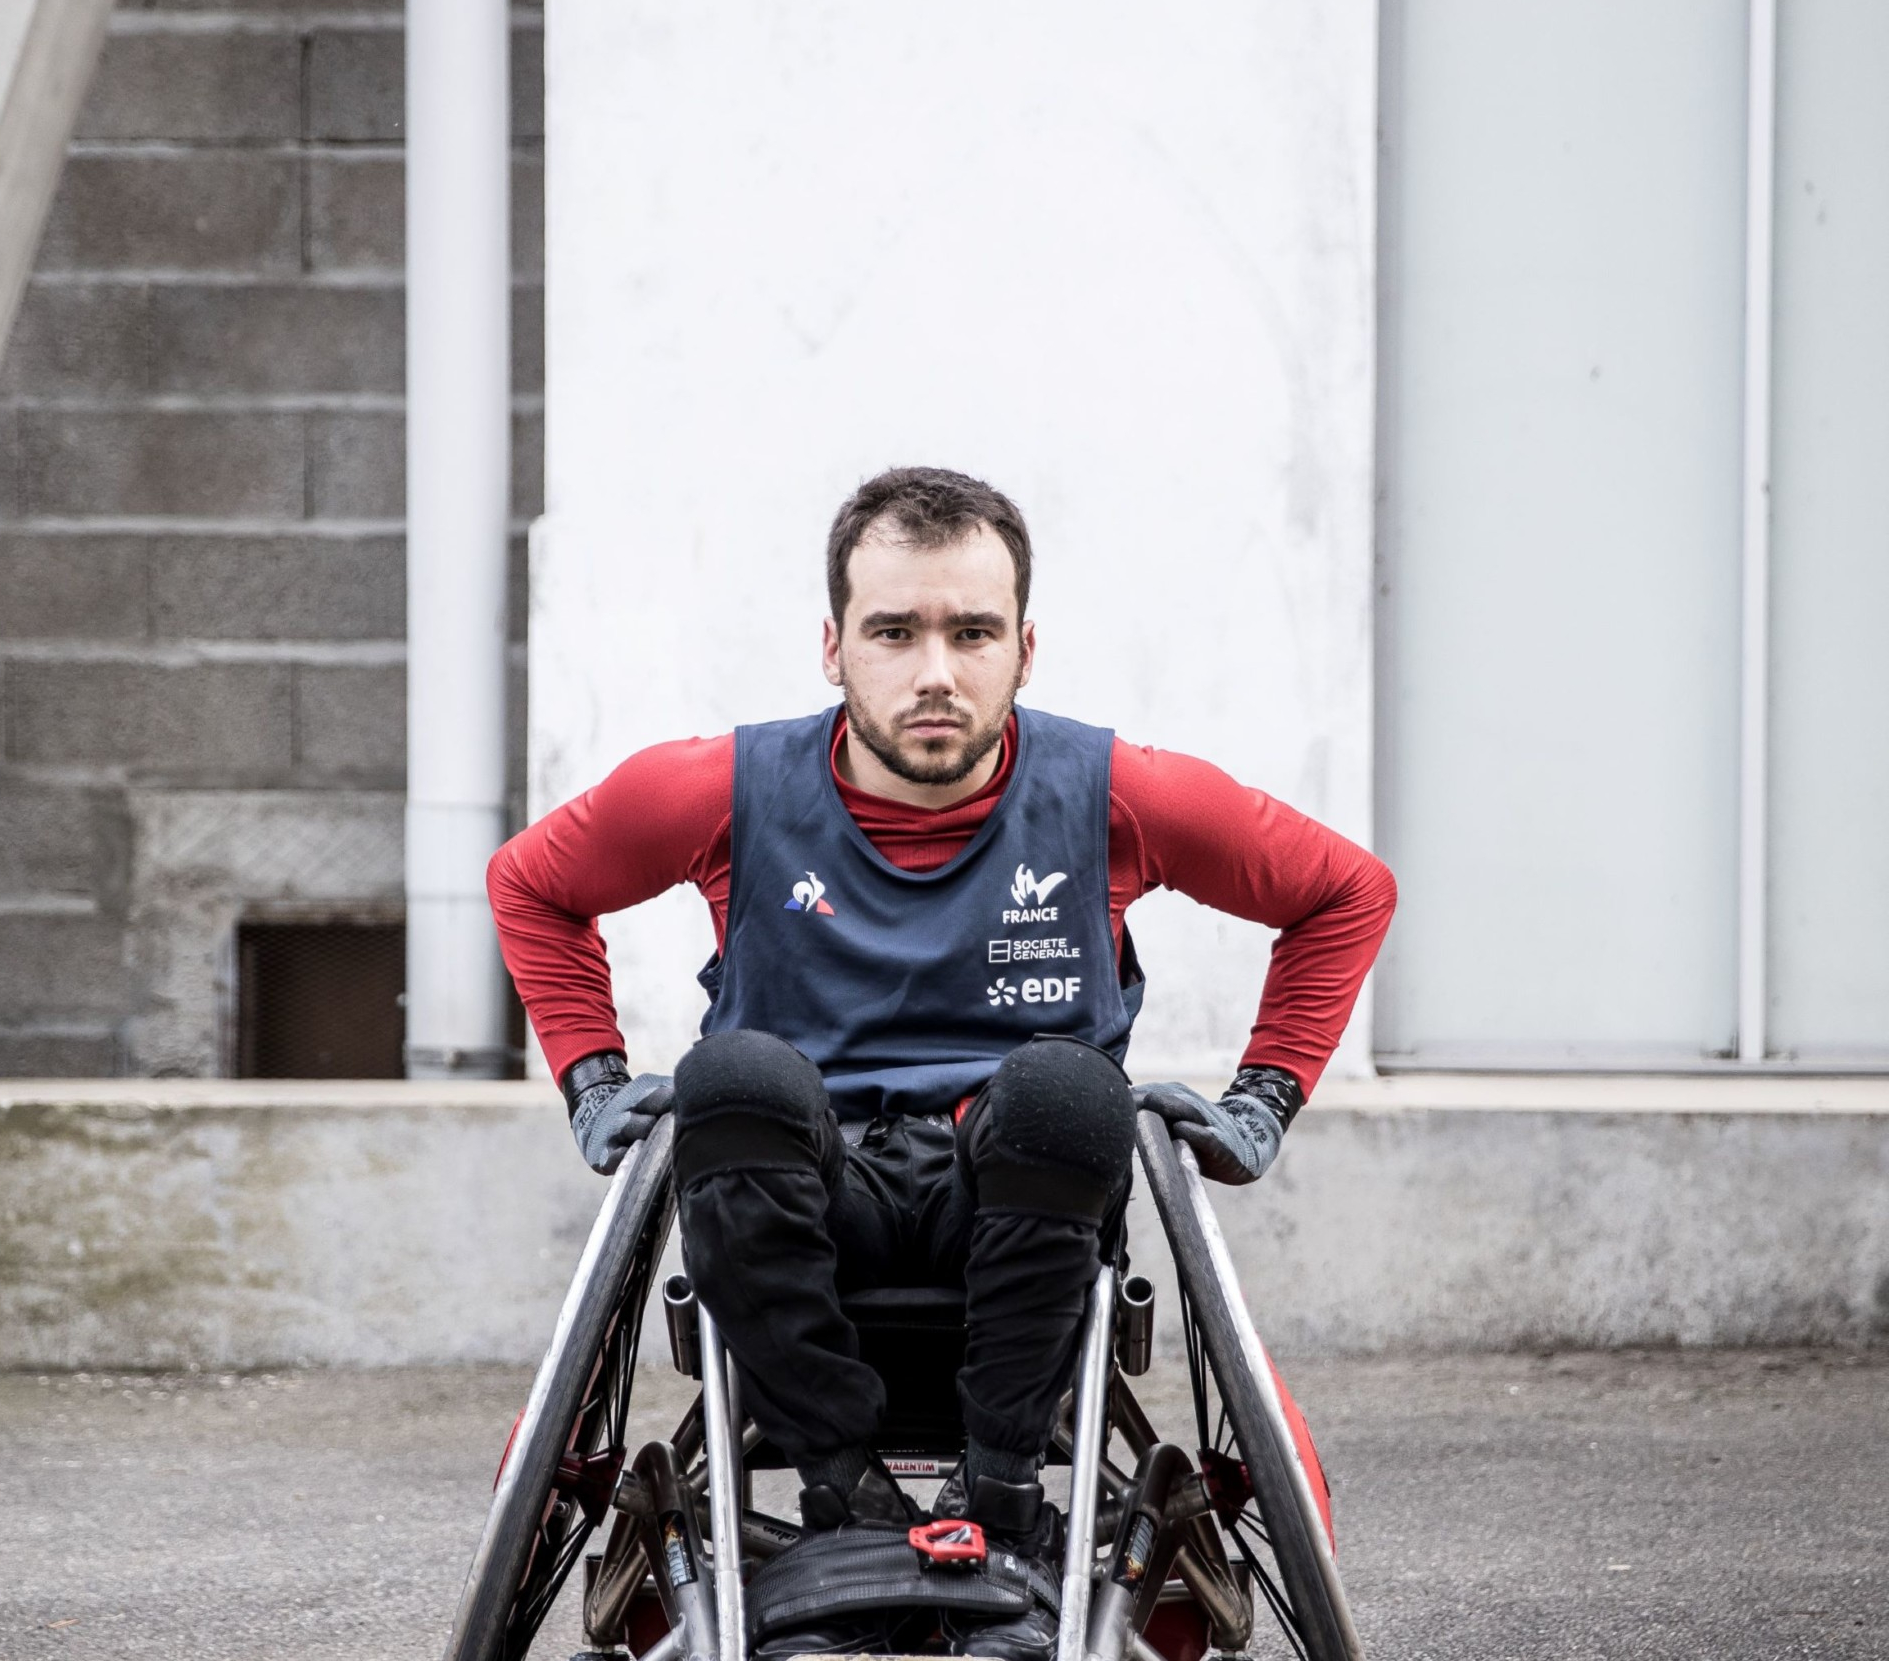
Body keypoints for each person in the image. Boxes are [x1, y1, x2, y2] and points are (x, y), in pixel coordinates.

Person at [488, 467, 1395, 1657]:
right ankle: (837, 1491)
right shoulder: (718, 787)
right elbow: (533, 884)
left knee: (1069, 1081)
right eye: (893, 631)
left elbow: (1342, 891)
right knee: (733, 1074)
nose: (933, 670)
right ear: (832, 647)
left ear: (1024, 646)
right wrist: (593, 1081)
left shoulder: (1112, 791)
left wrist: (1263, 1100)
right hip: (801, 1195)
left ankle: (1003, 1493)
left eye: (970, 632)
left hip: (1018, 1195)